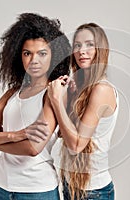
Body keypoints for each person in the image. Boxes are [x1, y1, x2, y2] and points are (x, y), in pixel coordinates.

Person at [0, 12, 71, 200]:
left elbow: (33, 148)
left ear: (53, 56)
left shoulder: (53, 93)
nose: (34, 60)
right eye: (27, 53)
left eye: (42, 53)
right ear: (20, 56)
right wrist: (15, 135)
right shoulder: (12, 93)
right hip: (2, 187)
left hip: (36, 190)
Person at [29, 23, 118, 200]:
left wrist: (56, 101)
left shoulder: (102, 89)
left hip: (94, 192)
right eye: (77, 45)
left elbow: (76, 146)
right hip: (71, 186)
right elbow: (64, 133)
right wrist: (69, 98)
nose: (81, 51)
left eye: (89, 44)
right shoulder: (82, 88)